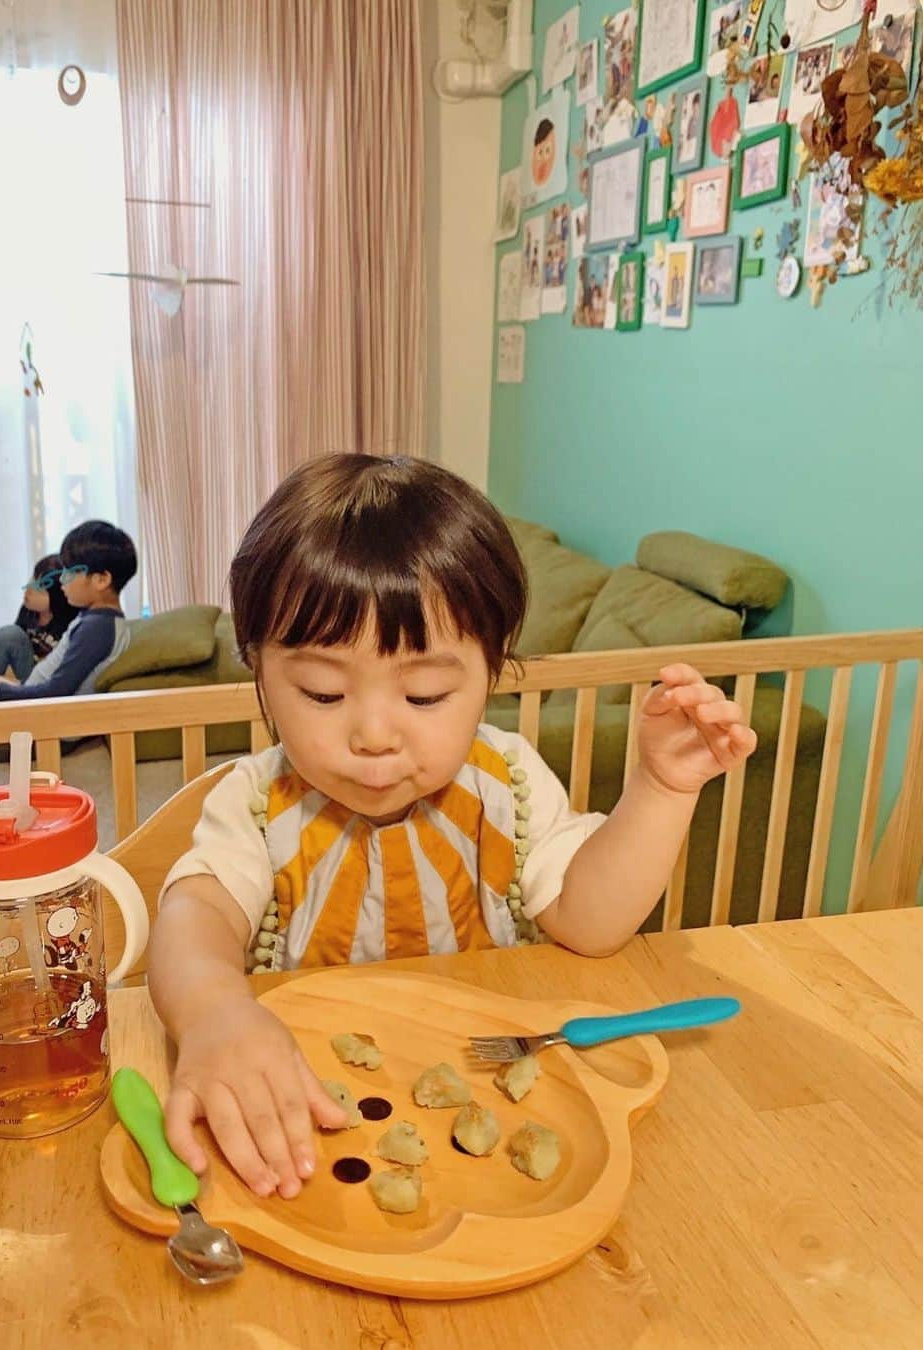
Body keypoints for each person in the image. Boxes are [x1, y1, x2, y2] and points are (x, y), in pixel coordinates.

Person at [148, 455, 757, 1202]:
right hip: (307, 1112)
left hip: (484, 1115)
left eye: (427, 694)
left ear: (492, 673)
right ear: (258, 671)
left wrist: (662, 788)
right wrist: (213, 1011)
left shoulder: (508, 784)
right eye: (322, 691)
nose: (373, 735)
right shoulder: (258, 803)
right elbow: (195, 913)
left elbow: (591, 924)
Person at [0, 520, 136, 702]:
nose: (62, 579)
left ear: (101, 580)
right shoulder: (96, 621)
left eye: (70, 572)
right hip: (35, 700)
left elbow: (57, 691)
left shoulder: (96, 628)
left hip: (42, 711)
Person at [0, 553, 79, 683]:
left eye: (39, 588)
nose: (28, 589)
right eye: (31, 580)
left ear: (58, 598)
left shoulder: (70, 622)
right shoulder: (28, 611)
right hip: (30, 674)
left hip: (53, 681)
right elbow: (16, 644)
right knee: (7, 634)